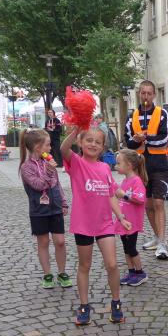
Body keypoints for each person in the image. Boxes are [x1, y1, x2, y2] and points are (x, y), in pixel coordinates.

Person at [60, 125, 132, 325]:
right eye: (89, 140)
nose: (93, 144)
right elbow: (63, 149)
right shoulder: (76, 162)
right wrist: (75, 131)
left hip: (104, 224)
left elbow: (111, 195)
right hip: (83, 224)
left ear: (103, 147)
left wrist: (121, 217)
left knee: (112, 264)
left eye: (98, 142)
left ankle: (116, 302)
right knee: (85, 265)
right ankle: (84, 306)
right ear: (80, 142)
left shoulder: (105, 168)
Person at [18, 128, 72, 289]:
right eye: (47, 145)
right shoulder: (26, 167)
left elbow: (57, 184)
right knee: (43, 242)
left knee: (60, 242)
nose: (50, 148)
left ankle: (62, 272)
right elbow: (39, 185)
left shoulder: (48, 161)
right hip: (39, 211)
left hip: (55, 207)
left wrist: (63, 202)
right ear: (37, 147)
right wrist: (48, 170)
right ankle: (47, 274)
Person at [125, 80, 168, 260]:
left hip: (159, 164)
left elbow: (164, 139)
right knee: (148, 204)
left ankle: (162, 243)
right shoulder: (132, 116)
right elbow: (128, 143)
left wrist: (145, 139)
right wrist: (135, 140)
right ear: (139, 94)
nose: (146, 96)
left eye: (149, 93)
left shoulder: (161, 114)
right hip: (140, 167)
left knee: (158, 203)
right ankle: (157, 237)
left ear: (154, 95)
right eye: (143, 93)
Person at [114, 149, 148, 287]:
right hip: (124, 220)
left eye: (118, 163)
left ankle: (140, 273)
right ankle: (131, 272)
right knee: (126, 248)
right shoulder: (125, 180)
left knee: (131, 248)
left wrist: (124, 195)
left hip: (132, 222)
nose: (115, 166)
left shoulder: (136, 181)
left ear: (129, 165)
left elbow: (140, 199)